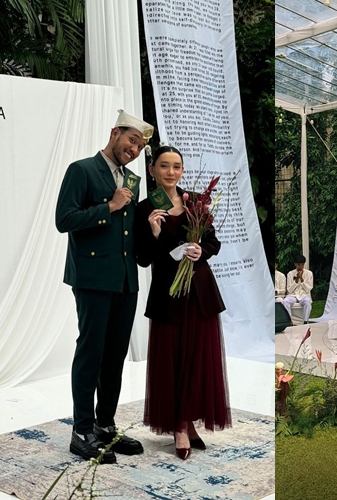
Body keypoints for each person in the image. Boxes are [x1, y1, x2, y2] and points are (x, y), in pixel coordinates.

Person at [55, 109, 151, 463]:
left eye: (139, 146)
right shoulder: (82, 170)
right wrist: (108, 206)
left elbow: (129, 231)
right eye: (131, 140)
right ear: (115, 133)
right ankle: (81, 431)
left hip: (126, 278)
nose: (134, 149)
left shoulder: (134, 180)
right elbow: (63, 220)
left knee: (115, 355)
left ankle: (105, 426)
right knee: (91, 352)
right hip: (92, 277)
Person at [133, 146, 230, 460]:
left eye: (176, 166)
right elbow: (143, 258)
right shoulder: (146, 208)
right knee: (172, 362)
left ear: (182, 171)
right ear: (153, 170)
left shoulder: (196, 202)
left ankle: (188, 421)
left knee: (196, 362)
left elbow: (212, 242)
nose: (171, 172)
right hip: (167, 296)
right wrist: (154, 230)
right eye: (164, 166)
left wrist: (202, 251)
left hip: (199, 294)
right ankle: (178, 425)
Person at [282, 255, 313, 324]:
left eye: (302, 264)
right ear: (295, 264)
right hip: (293, 295)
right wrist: (296, 280)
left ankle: (305, 321)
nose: (300, 267)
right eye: (299, 264)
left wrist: (301, 279)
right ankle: (290, 321)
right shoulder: (290, 274)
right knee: (286, 301)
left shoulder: (309, 273)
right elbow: (289, 290)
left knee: (307, 301)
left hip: (304, 295)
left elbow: (308, 289)